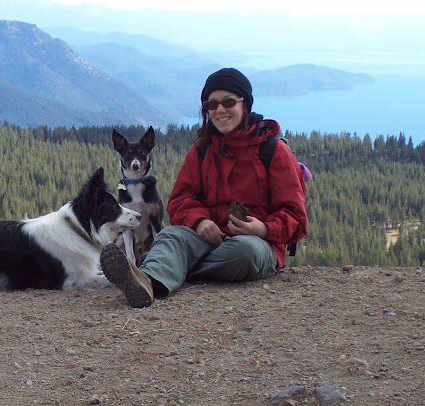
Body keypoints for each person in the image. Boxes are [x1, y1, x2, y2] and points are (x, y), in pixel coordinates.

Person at [101, 67, 308, 308]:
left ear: (245, 104)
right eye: (211, 104)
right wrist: (200, 221)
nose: (220, 110)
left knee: (245, 252)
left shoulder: (274, 150)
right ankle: (147, 282)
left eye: (229, 101)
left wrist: (264, 229)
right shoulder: (201, 150)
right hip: (206, 238)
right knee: (170, 235)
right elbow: (179, 201)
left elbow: (296, 219)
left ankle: (163, 269)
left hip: (256, 242)